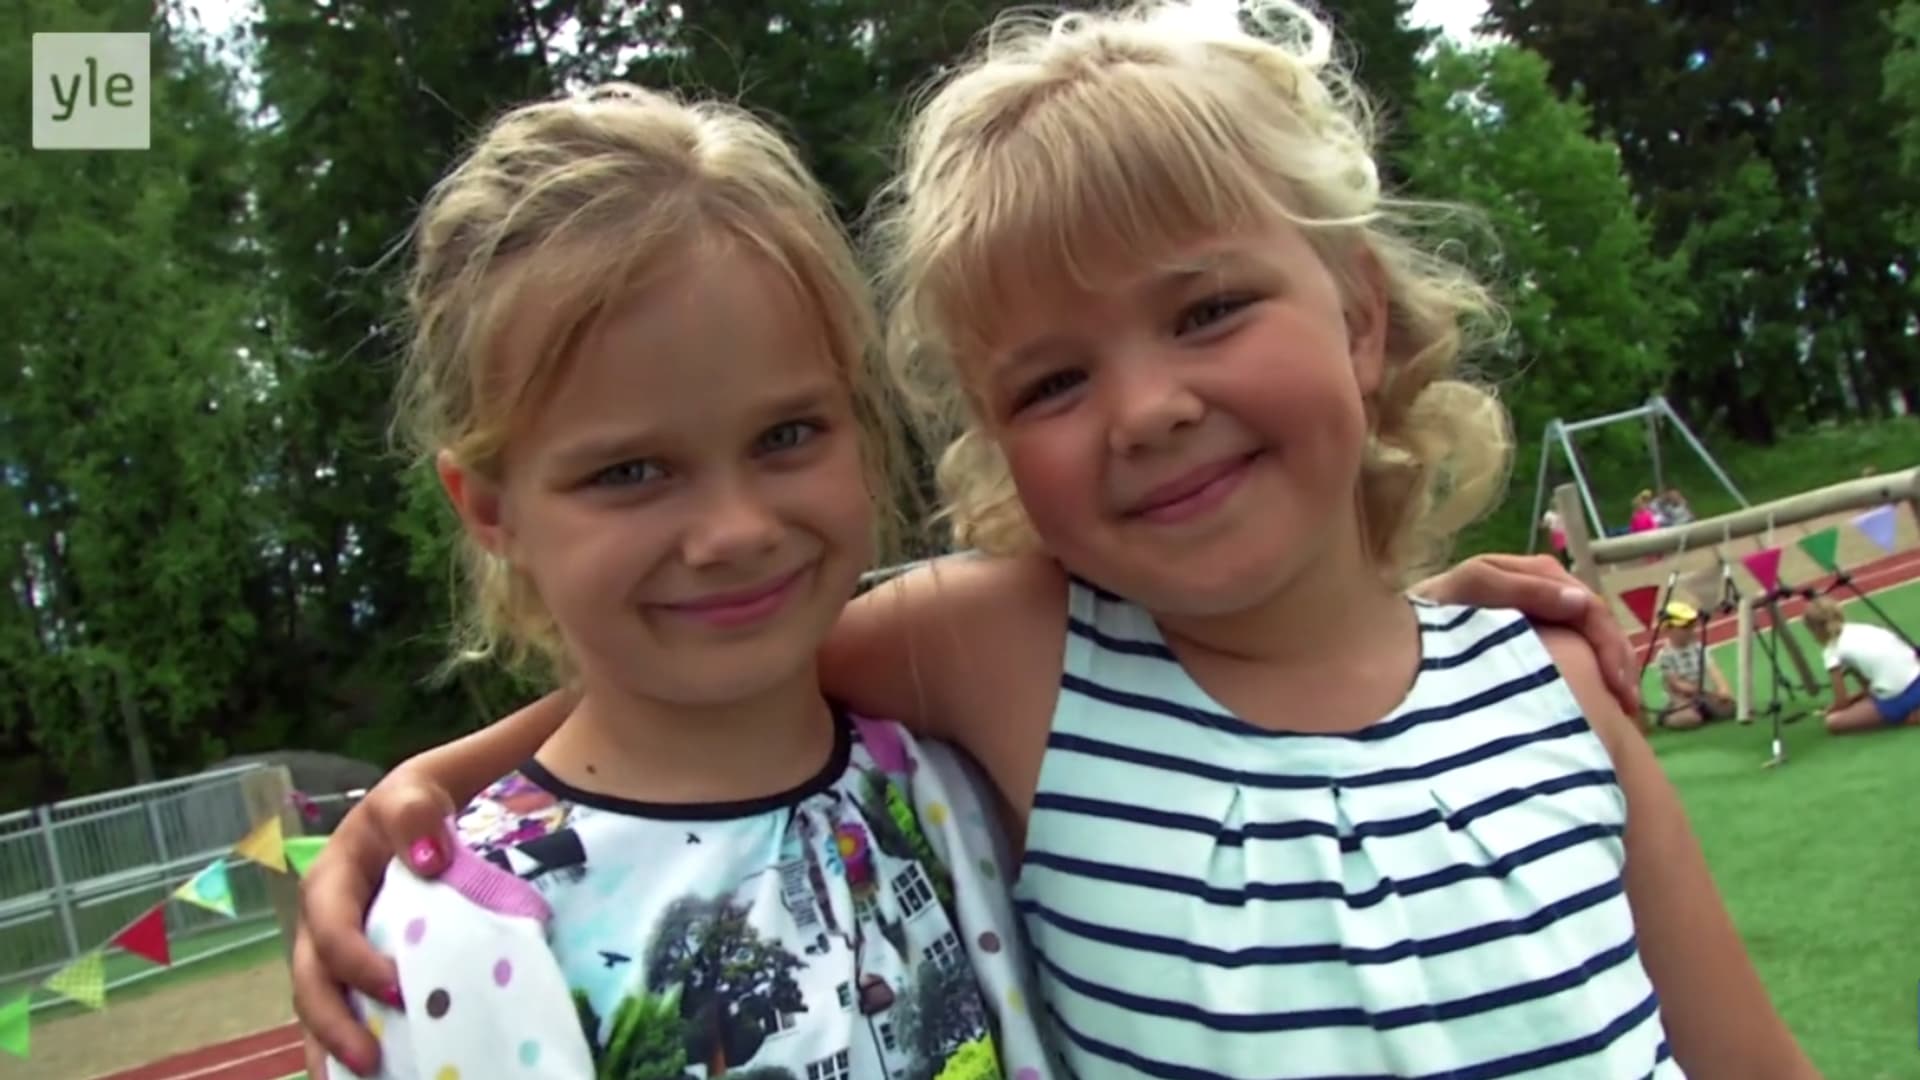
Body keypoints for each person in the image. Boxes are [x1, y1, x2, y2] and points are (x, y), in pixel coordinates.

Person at [294, 2, 1818, 1077]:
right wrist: (431, 793)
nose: (1148, 408)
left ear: (1360, 318)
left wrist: (1432, 618)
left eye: (1207, 309)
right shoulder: (1008, 659)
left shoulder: (1552, 686)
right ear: (993, 442)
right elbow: (711, 673)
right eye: (1053, 383)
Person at [317, 82, 1053, 1080]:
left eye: (785, 435)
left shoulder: (939, 784)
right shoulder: (461, 932)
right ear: (490, 509)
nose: (735, 530)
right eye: (631, 471)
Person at [1802, 598, 1920, 734]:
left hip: (1896, 696)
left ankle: (1907, 715)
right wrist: (1856, 698)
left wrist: (1830, 710)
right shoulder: (1866, 627)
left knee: (1832, 722)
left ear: (1815, 630)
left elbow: (1841, 702)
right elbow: (1868, 687)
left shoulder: (1832, 650)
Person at [1652, 602, 1735, 729]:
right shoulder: (1665, 655)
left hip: (1701, 695)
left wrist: (1723, 689)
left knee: (1729, 708)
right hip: (1681, 699)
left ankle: (1703, 711)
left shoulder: (1698, 648)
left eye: (1692, 625)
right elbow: (1676, 683)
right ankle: (1667, 717)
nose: (1690, 630)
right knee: (1690, 719)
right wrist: (1702, 692)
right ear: (1667, 629)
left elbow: (1713, 669)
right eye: (1684, 627)